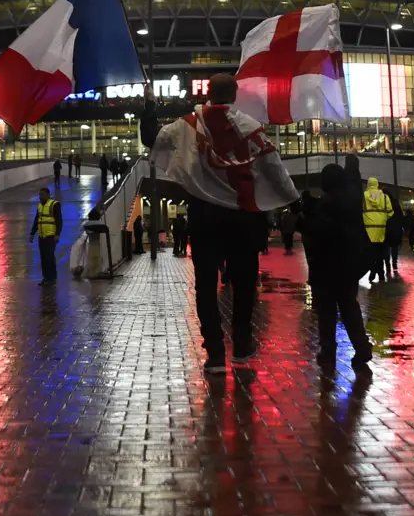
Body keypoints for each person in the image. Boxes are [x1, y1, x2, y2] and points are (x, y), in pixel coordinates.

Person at [141, 73, 299, 374]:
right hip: (243, 217)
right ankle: (241, 344)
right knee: (243, 284)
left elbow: (151, 138)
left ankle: (214, 353)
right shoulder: (251, 129)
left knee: (204, 285)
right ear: (235, 96)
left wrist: (149, 104)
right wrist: (291, 199)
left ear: (208, 94)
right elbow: (274, 169)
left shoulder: (187, 125)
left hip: (204, 216)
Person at [299, 163, 373, 374]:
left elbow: (318, 232)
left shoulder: (326, 205)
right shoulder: (352, 202)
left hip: (328, 265)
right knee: (350, 306)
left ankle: (328, 351)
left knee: (327, 311)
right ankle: (362, 346)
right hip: (350, 265)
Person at [29, 187, 63, 285]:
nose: (40, 197)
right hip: (41, 236)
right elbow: (36, 220)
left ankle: (52, 278)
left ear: (48, 195)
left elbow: (59, 220)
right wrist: (32, 233)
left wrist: (57, 234)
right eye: (40, 195)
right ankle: (46, 278)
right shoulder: (39, 206)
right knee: (43, 258)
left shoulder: (55, 204)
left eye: (42, 194)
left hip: (50, 236)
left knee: (49, 257)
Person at [363, 176, 393, 283]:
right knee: (380, 255)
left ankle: (373, 270)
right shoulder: (385, 197)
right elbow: (390, 213)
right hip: (381, 232)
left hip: (368, 232)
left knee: (370, 255)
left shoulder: (364, 196)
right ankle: (380, 275)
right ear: (377, 185)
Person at [384, 193, 405, 276]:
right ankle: (394, 263)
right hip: (396, 230)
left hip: (386, 228)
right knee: (394, 248)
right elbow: (401, 217)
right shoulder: (396, 204)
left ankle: (387, 266)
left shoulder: (384, 202)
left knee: (386, 248)